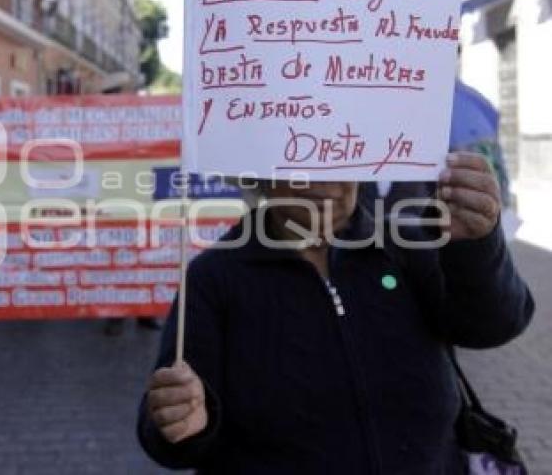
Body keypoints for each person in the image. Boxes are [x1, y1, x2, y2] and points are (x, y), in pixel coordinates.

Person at [137, 152, 534, 473]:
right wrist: (180, 421)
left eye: (342, 159)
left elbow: (494, 325)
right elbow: (170, 428)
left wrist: (478, 245)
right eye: (300, 161)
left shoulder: (408, 249)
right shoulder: (215, 278)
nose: (324, 181)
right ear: (262, 172)